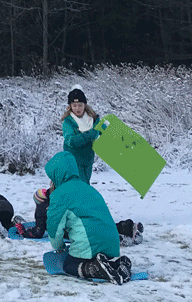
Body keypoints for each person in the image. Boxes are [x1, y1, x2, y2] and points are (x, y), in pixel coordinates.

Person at [45, 151, 132, 284]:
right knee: (92, 253)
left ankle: (94, 268)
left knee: (69, 265)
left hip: (90, 245)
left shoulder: (59, 195)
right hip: (112, 245)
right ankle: (116, 263)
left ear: (57, 175)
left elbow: (54, 228)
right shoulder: (89, 189)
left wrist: (60, 246)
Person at [15, 186, 144, 245]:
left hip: (69, 229)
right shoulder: (59, 194)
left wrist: (24, 232)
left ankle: (119, 238)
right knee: (98, 225)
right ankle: (126, 226)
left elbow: (38, 232)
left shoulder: (41, 211)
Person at [61, 84, 101, 183]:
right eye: (74, 105)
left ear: (84, 105)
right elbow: (71, 141)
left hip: (88, 160)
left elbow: (99, 134)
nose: (77, 108)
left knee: (86, 185)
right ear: (70, 106)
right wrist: (90, 134)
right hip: (73, 161)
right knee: (79, 187)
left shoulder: (92, 120)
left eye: (80, 105)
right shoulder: (68, 122)